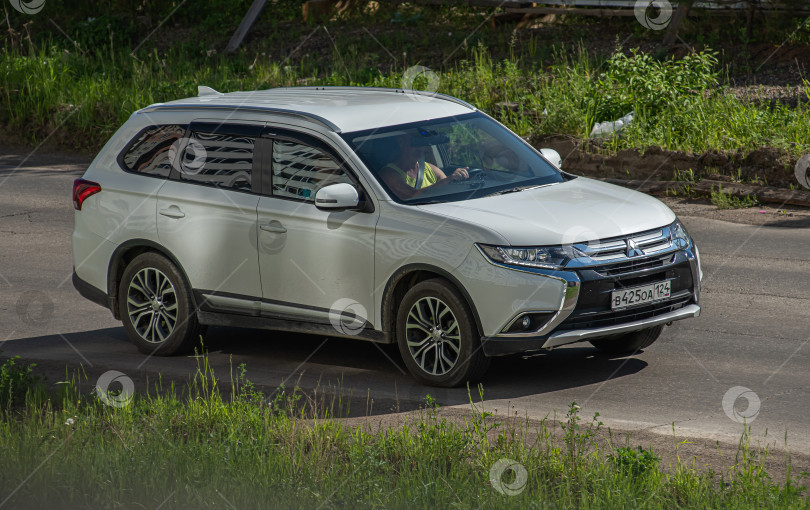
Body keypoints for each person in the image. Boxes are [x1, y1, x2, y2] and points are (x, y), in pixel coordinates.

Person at [378, 135, 469, 199]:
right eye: (415, 142)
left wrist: (456, 177)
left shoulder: (430, 168)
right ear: (401, 142)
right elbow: (412, 195)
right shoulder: (388, 173)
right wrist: (447, 180)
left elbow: (448, 187)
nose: (420, 147)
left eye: (422, 142)